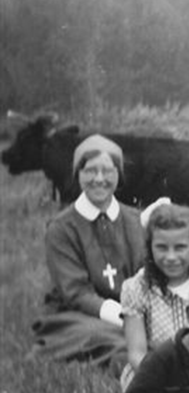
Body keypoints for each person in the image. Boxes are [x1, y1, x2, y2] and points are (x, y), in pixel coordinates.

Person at [32, 135, 145, 371]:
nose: (99, 179)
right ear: (78, 174)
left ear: (119, 175)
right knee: (101, 336)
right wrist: (125, 319)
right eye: (90, 171)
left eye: (108, 171)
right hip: (79, 313)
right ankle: (132, 363)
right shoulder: (61, 228)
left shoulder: (134, 220)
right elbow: (75, 293)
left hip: (132, 311)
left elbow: (144, 274)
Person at [120, 203, 189, 389]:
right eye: (162, 247)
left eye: (180, 247)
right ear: (150, 247)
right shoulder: (137, 288)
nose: (170, 257)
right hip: (152, 372)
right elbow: (137, 353)